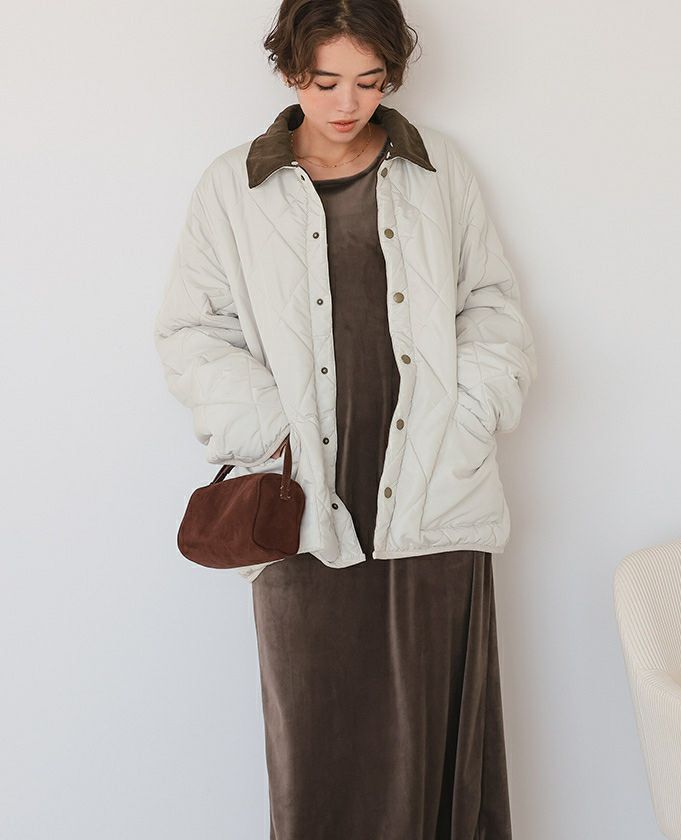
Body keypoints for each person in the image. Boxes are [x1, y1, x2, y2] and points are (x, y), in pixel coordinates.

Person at [153, 1, 537, 837]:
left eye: (369, 81)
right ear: (290, 69)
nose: (347, 103)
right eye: (325, 81)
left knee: (432, 735)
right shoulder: (233, 186)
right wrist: (273, 434)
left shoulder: (437, 170)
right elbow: (191, 332)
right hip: (298, 498)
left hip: (433, 488)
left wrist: (467, 421)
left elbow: (491, 306)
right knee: (315, 740)